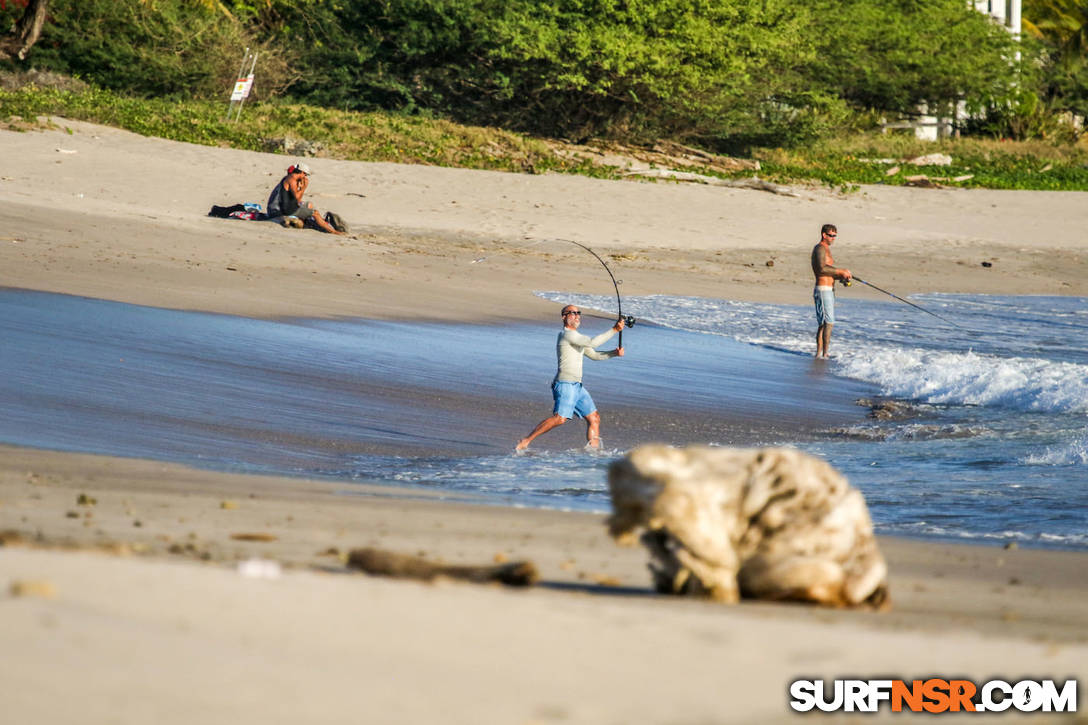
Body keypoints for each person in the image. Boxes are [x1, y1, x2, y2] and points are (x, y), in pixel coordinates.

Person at [515, 305, 625, 451]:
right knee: (560, 419)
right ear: (564, 317)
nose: (576, 315)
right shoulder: (567, 335)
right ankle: (526, 440)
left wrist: (614, 353)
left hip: (577, 386)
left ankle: (594, 453)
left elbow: (595, 355)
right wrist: (614, 330)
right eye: (572, 313)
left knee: (594, 418)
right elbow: (592, 342)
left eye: (578, 313)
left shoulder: (577, 338)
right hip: (565, 384)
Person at [265, 161, 343, 235]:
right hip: (281, 211)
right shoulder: (292, 179)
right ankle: (333, 232)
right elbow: (297, 198)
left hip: (279, 208)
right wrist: (304, 188)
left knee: (307, 206)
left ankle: (325, 226)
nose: (305, 177)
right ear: (302, 172)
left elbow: (294, 200)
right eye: (305, 175)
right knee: (315, 213)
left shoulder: (289, 178)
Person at [810, 223, 852, 358]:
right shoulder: (820, 249)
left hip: (829, 290)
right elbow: (821, 269)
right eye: (831, 235)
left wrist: (842, 277)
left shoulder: (827, 249)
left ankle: (821, 354)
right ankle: (823, 354)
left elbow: (829, 272)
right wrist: (840, 271)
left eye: (835, 236)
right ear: (824, 235)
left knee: (825, 323)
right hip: (823, 290)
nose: (833, 238)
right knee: (828, 322)